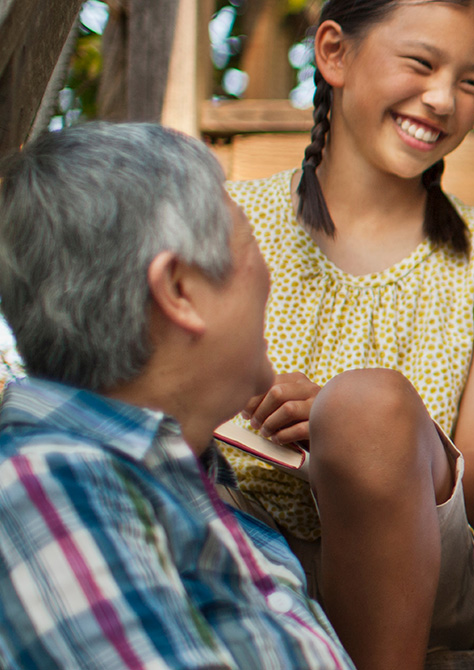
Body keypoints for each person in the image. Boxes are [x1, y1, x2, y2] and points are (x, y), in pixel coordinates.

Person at [217, 0, 474, 668]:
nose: (442, 99)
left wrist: (370, 436)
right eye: (420, 64)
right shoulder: (227, 219)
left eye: (470, 83)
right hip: (238, 533)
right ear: (334, 52)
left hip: (420, 563)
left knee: (369, 405)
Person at [0, 123, 355, 669]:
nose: (268, 278)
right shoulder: (44, 486)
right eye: (250, 242)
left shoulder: (181, 487)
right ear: (180, 290)